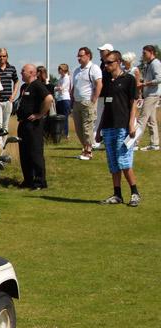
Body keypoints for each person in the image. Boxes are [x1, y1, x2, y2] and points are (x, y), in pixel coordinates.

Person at [96, 50, 141, 207]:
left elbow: (133, 103)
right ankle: (117, 194)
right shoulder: (108, 81)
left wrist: (131, 123)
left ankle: (135, 193)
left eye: (109, 62)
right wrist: (99, 129)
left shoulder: (129, 79)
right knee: (113, 163)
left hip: (123, 126)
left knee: (124, 161)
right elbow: (106, 107)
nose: (106, 65)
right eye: (105, 63)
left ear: (119, 62)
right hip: (108, 127)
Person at [15, 64, 53, 190]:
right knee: (24, 153)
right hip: (23, 123)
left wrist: (40, 114)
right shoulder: (24, 86)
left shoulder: (37, 85)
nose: (21, 73)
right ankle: (28, 179)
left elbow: (49, 98)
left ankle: (40, 181)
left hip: (34, 125)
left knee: (35, 152)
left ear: (31, 73)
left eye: (23, 71)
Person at [71, 47, 103, 160]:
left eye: (81, 56)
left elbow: (99, 84)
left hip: (87, 102)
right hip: (77, 102)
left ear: (88, 56)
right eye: (78, 56)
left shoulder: (94, 68)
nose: (79, 58)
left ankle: (88, 151)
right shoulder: (77, 70)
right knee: (78, 128)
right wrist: (72, 98)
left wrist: (94, 99)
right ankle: (85, 148)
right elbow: (74, 86)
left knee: (87, 127)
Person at [137, 44, 161, 151]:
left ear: (151, 52)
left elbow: (159, 79)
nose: (143, 55)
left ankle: (134, 143)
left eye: (144, 53)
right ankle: (154, 144)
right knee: (151, 120)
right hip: (150, 94)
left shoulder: (155, 63)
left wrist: (144, 84)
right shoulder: (149, 64)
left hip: (152, 95)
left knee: (142, 119)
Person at [91, 43, 115, 149]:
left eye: (102, 51)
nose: (100, 52)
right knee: (99, 117)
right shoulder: (102, 64)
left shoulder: (111, 64)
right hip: (102, 94)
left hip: (109, 94)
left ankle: (100, 139)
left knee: (106, 117)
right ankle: (96, 140)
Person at [0, 48, 20, 134]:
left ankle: (3, 142)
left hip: (8, 101)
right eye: (0, 56)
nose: (2, 58)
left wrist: (14, 95)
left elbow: (16, 81)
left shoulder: (11, 68)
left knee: (5, 125)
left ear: (7, 57)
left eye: (4, 56)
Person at [54, 63, 72, 139]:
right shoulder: (61, 78)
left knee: (64, 118)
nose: (58, 70)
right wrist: (57, 88)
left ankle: (65, 134)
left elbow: (61, 88)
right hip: (59, 99)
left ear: (63, 69)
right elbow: (58, 87)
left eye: (60, 69)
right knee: (59, 117)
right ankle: (60, 133)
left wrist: (55, 88)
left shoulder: (67, 78)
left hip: (65, 99)